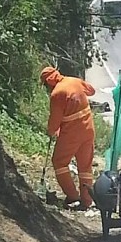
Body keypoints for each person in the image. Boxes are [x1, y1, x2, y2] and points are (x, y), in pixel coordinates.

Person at [40, 66, 95, 210]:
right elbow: (91, 91)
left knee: (59, 162)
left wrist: (51, 131)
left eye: (46, 85)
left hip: (72, 132)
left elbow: (54, 120)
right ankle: (87, 200)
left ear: (50, 80)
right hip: (88, 129)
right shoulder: (74, 81)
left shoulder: (57, 93)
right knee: (85, 167)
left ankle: (72, 196)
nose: (47, 88)